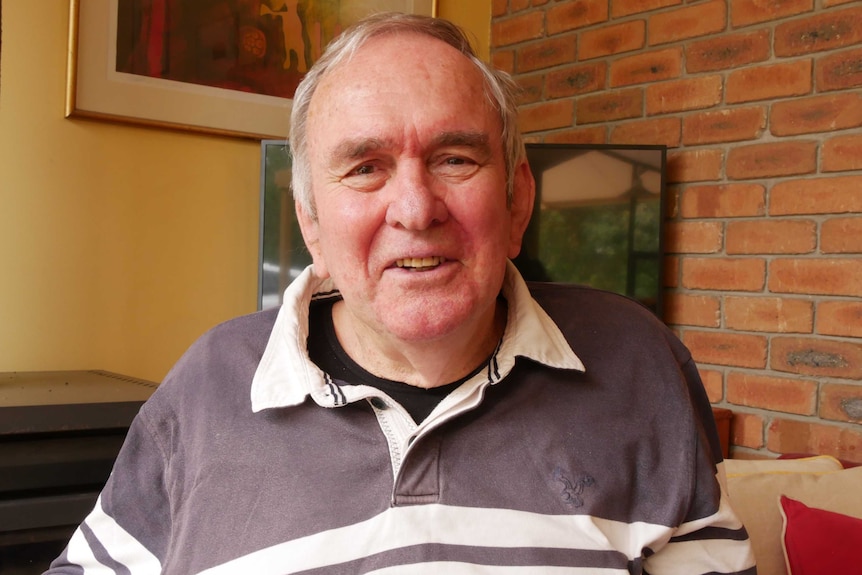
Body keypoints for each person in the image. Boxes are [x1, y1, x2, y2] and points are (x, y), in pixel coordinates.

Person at [45, 12, 756, 575]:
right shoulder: (205, 388)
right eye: (365, 167)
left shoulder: (640, 361)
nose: (416, 209)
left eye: (455, 157)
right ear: (311, 223)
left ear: (517, 200)